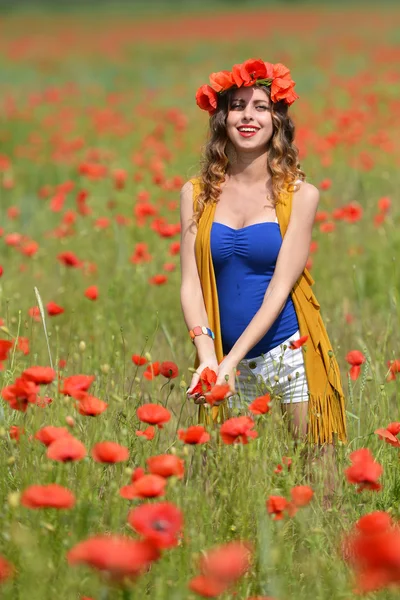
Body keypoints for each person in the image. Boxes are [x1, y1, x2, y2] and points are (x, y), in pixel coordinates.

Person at [179, 58, 347, 452]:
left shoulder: (300, 196)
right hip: (219, 352)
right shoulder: (196, 193)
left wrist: (231, 362)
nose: (248, 116)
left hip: (287, 351)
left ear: (277, 121)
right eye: (237, 106)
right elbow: (190, 282)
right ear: (222, 118)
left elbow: (279, 289)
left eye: (260, 106)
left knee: (318, 473)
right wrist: (208, 356)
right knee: (222, 482)